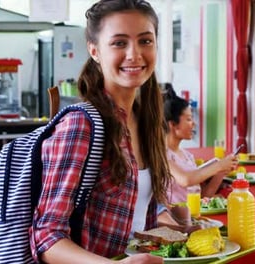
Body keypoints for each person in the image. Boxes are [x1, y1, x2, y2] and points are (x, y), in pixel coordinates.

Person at [29, 1, 169, 263]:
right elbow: (46, 238)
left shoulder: (146, 121)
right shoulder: (81, 125)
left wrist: (175, 228)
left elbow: (135, 219)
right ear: (94, 51)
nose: (134, 54)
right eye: (119, 43)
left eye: (145, 41)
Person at [161, 84, 238, 204]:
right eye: (189, 119)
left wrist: (221, 172)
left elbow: (201, 197)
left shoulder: (187, 156)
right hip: (175, 219)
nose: (194, 124)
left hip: (194, 215)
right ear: (173, 124)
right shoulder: (162, 155)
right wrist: (219, 166)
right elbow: (186, 179)